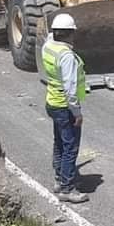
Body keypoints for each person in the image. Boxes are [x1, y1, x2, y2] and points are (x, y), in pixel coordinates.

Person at [41, 13, 89, 204]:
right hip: (64, 106)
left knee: (59, 142)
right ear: (70, 34)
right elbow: (70, 87)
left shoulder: (48, 47)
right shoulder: (66, 56)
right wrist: (77, 113)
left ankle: (59, 179)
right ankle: (67, 188)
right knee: (70, 147)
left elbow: (48, 36)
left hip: (52, 102)